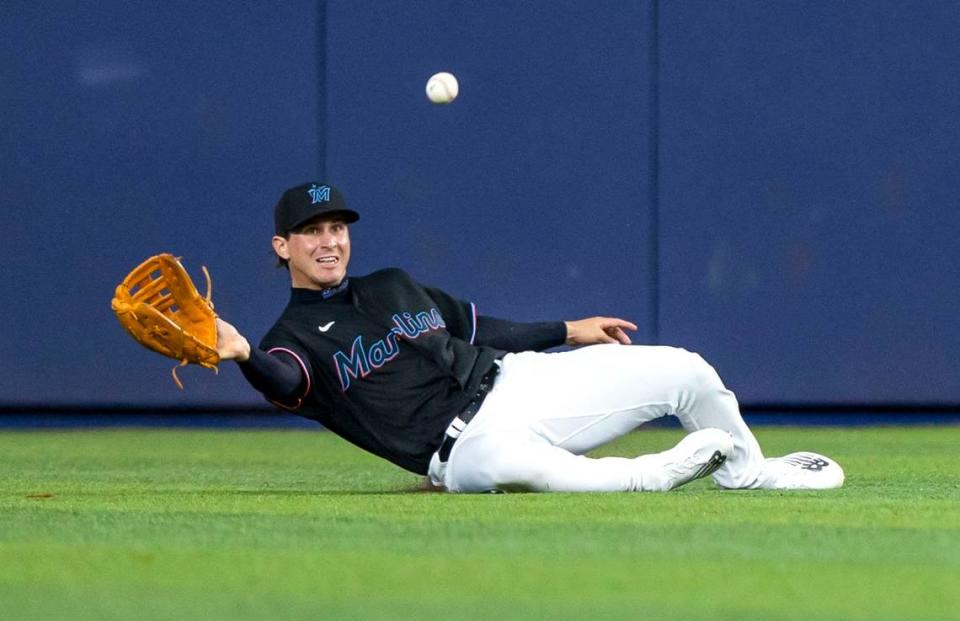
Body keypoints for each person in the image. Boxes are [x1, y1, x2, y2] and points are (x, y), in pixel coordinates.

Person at [214, 181, 844, 493]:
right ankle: (654, 475)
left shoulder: (391, 284)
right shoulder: (288, 338)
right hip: (463, 451)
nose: (329, 241)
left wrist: (569, 330)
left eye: (337, 228)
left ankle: (749, 473)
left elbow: (479, 328)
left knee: (688, 372)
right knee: (546, 472)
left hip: (516, 383)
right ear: (283, 246)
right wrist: (242, 354)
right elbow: (289, 380)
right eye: (312, 232)